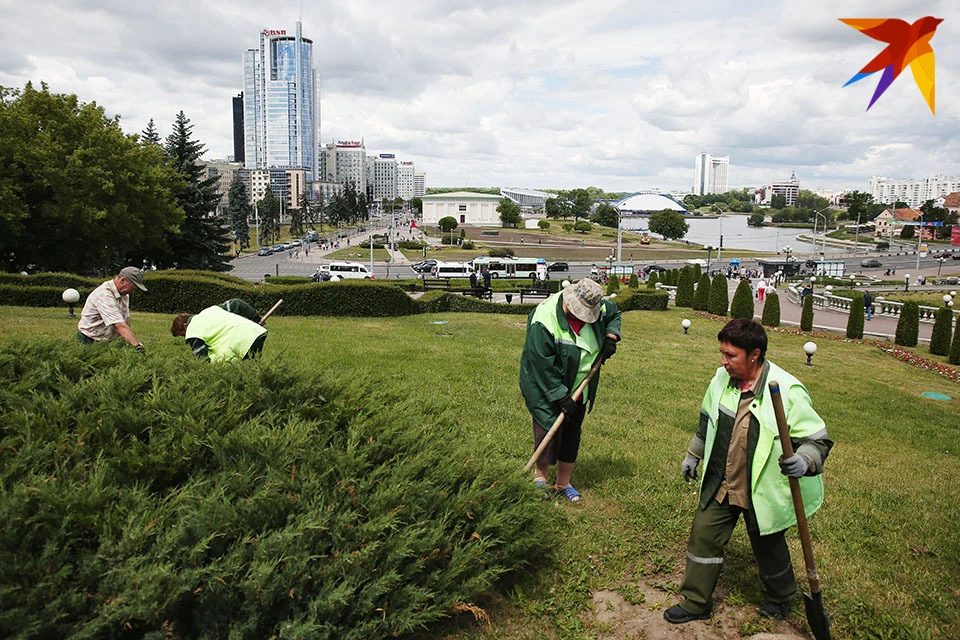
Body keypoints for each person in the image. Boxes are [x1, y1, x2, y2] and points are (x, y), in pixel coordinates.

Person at [664, 318, 833, 624]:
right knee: (703, 535)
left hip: (762, 489)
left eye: (731, 356)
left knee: (769, 546)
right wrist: (693, 453)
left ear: (754, 355)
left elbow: (816, 440)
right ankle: (696, 602)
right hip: (723, 480)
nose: (723, 361)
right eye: (722, 353)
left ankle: (780, 598)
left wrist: (805, 460)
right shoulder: (720, 379)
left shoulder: (788, 390)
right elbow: (707, 422)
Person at [519, 279, 622, 502]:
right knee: (548, 428)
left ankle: (563, 482)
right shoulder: (544, 320)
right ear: (569, 301)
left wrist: (611, 337)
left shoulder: (596, 304)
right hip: (544, 384)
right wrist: (559, 395)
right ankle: (540, 479)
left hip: (580, 384)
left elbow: (614, 313)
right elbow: (541, 365)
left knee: (572, 432)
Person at [170, 299, 267, 362]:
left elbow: (202, 360)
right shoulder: (211, 310)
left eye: (183, 334)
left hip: (239, 345)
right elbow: (237, 303)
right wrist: (255, 318)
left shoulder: (192, 330)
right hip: (256, 333)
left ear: (185, 325)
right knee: (254, 369)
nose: (186, 336)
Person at [77, 266, 148, 351]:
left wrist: (129, 343)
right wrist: (138, 348)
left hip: (107, 341)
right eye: (132, 288)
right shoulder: (104, 295)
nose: (132, 292)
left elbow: (126, 321)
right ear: (123, 280)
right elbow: (119, 325)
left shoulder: (124, 295)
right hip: (89, 340)